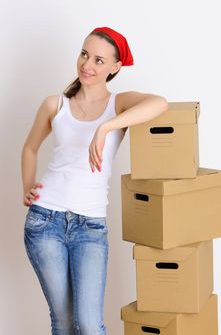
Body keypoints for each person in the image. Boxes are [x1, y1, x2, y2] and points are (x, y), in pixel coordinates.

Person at [21, 26, 168, 335]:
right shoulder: (55, 105)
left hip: (90, 226)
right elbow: (30, 147)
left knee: (89, 324)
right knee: (63, 321)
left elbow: (160, 103)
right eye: (85, 54)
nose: (87, 65)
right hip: (44, 220)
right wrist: (27, 186)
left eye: (99, 61)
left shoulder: (120, 104)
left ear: (115, 67)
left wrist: (105, 128)